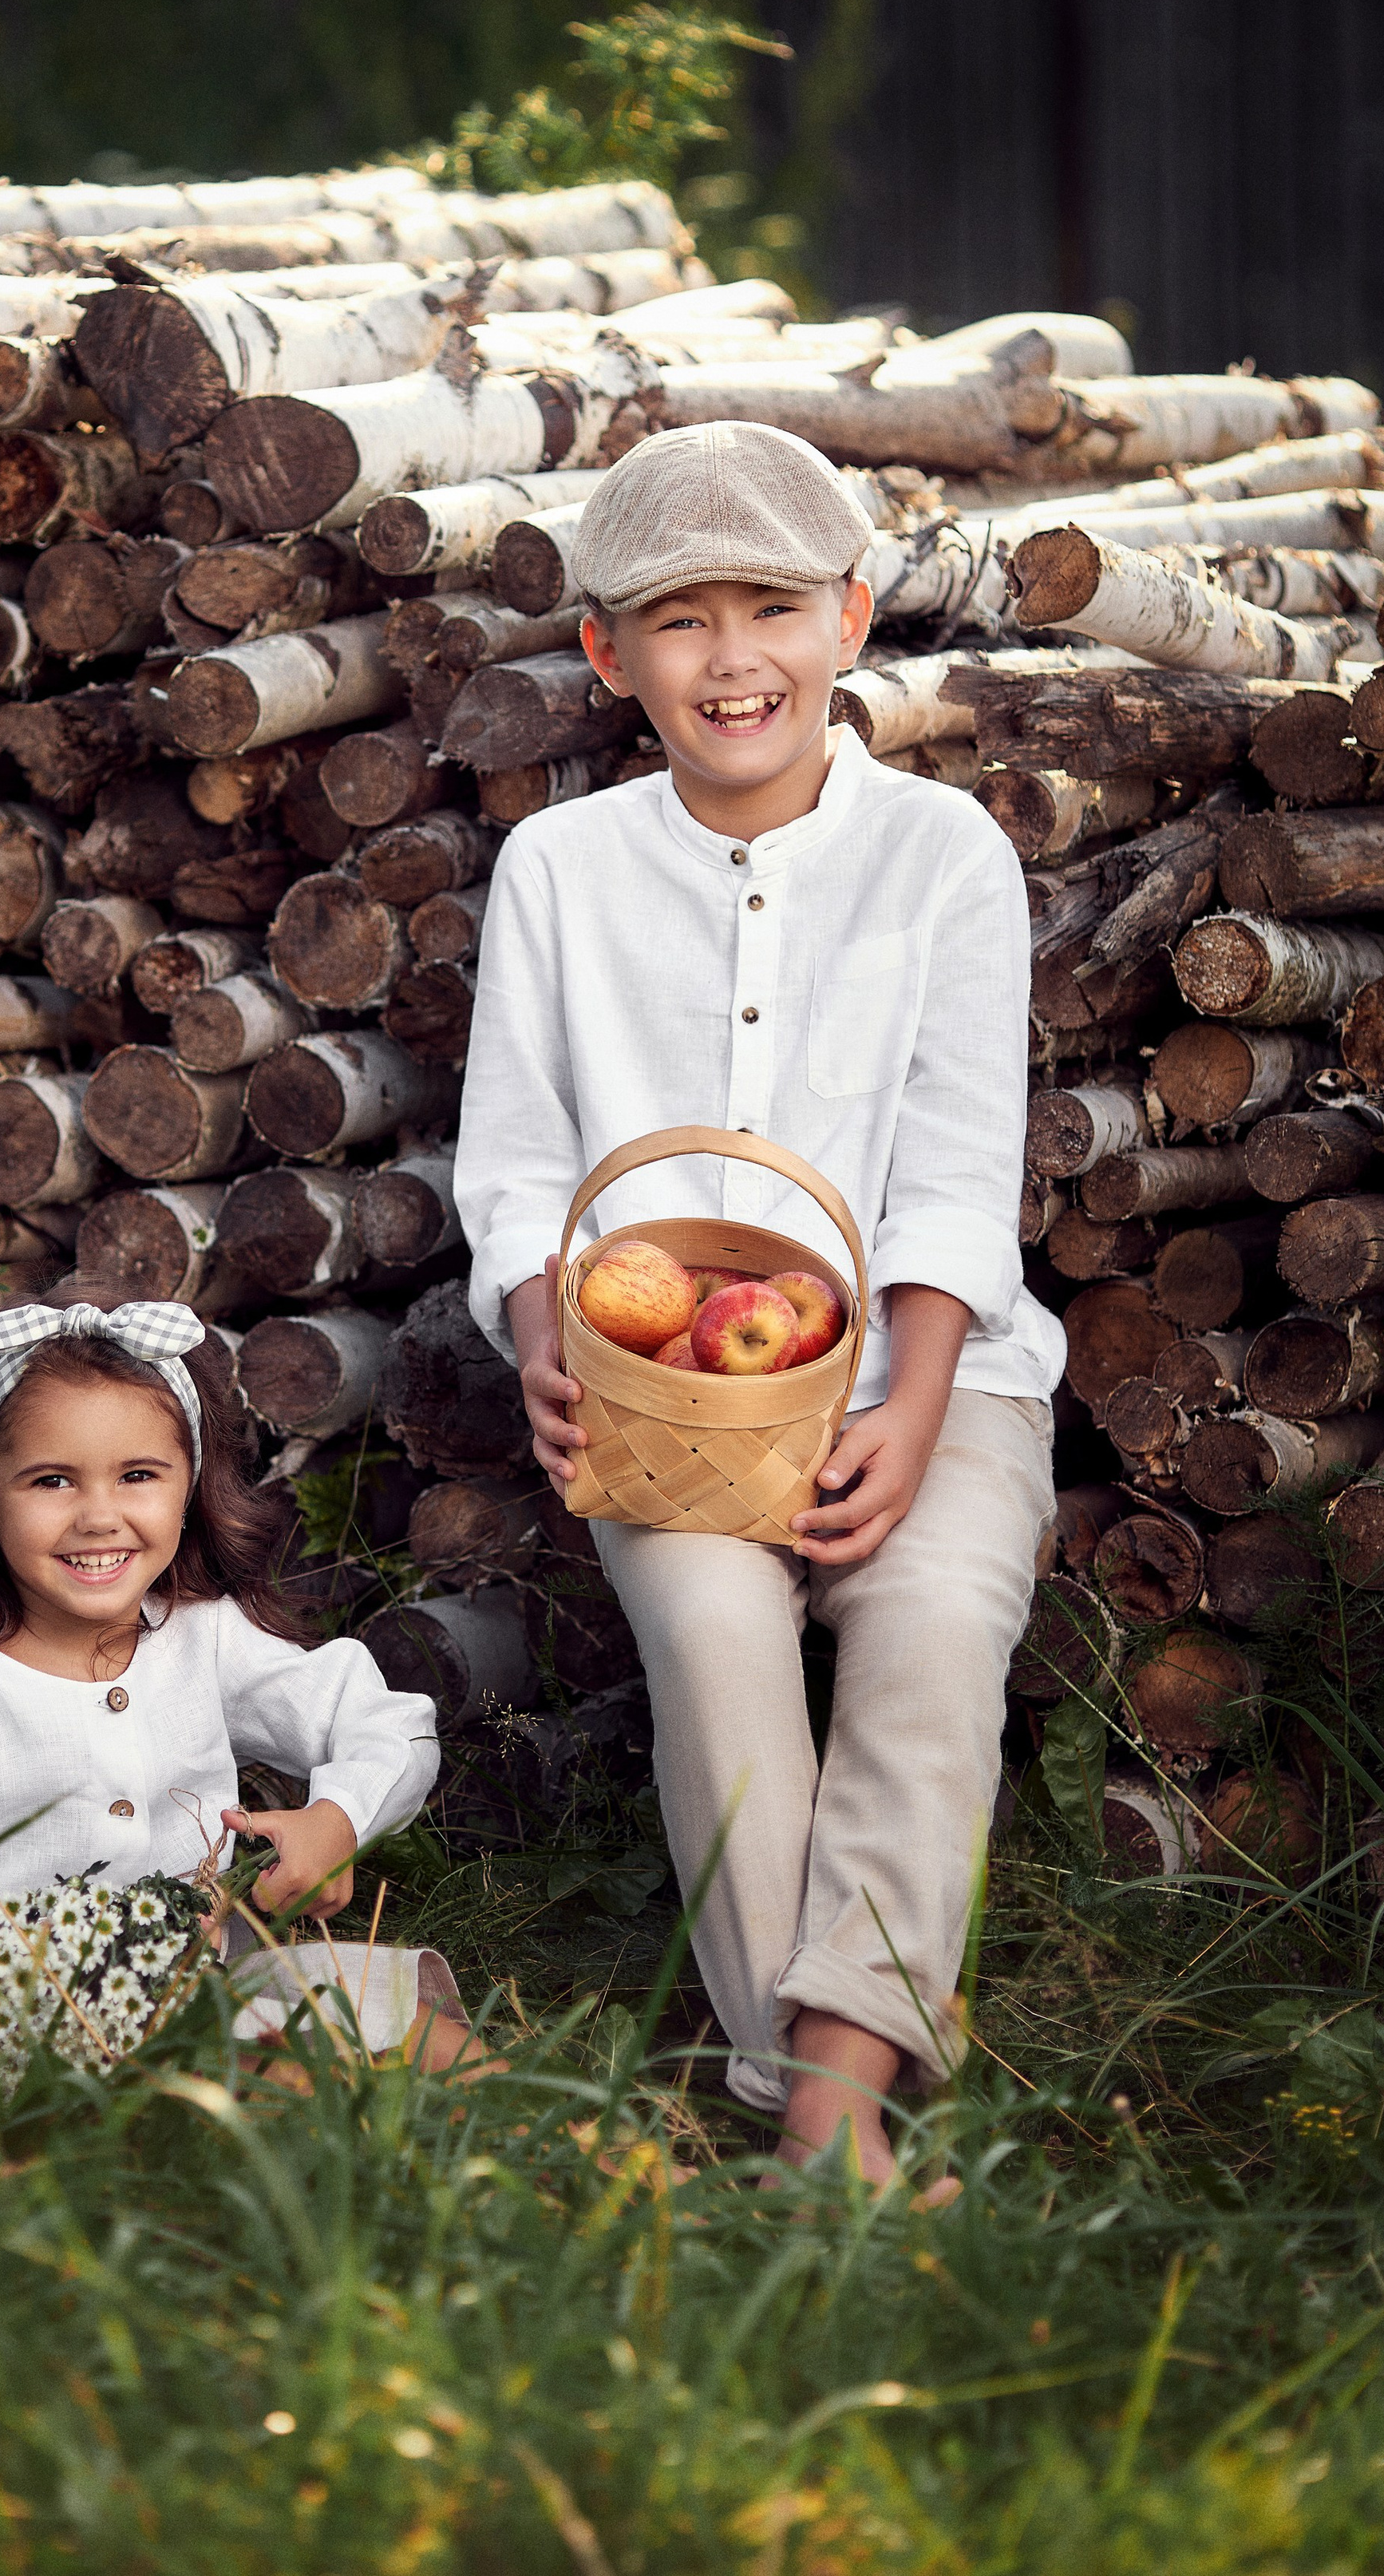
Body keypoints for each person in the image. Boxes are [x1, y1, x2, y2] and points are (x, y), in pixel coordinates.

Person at [455, 422, 1062, 2194]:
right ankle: (832, 2112)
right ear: (602, 654)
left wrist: (914, 1406)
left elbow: (957, 1168)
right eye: (676, 620)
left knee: (932, 1621)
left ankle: (827, 2086)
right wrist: (543, 1338)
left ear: (852, 614)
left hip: (928, 1374)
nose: (733, 660)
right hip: (658, 1387)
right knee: (717, 1641)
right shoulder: (559, 873)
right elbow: (511, 1159)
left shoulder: (941, 854)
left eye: (773, 608)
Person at [0, 1296, 476, 2068]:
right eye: (52, 1481)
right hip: (23, 2038)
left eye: (138, 1476)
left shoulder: (202, 1639)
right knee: (279, 2075)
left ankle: (578, 2165)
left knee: (441, 2047)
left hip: (212, 1992)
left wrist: (338, 1820)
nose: (99, 1517)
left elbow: (391, 1723)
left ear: (187, 1488)